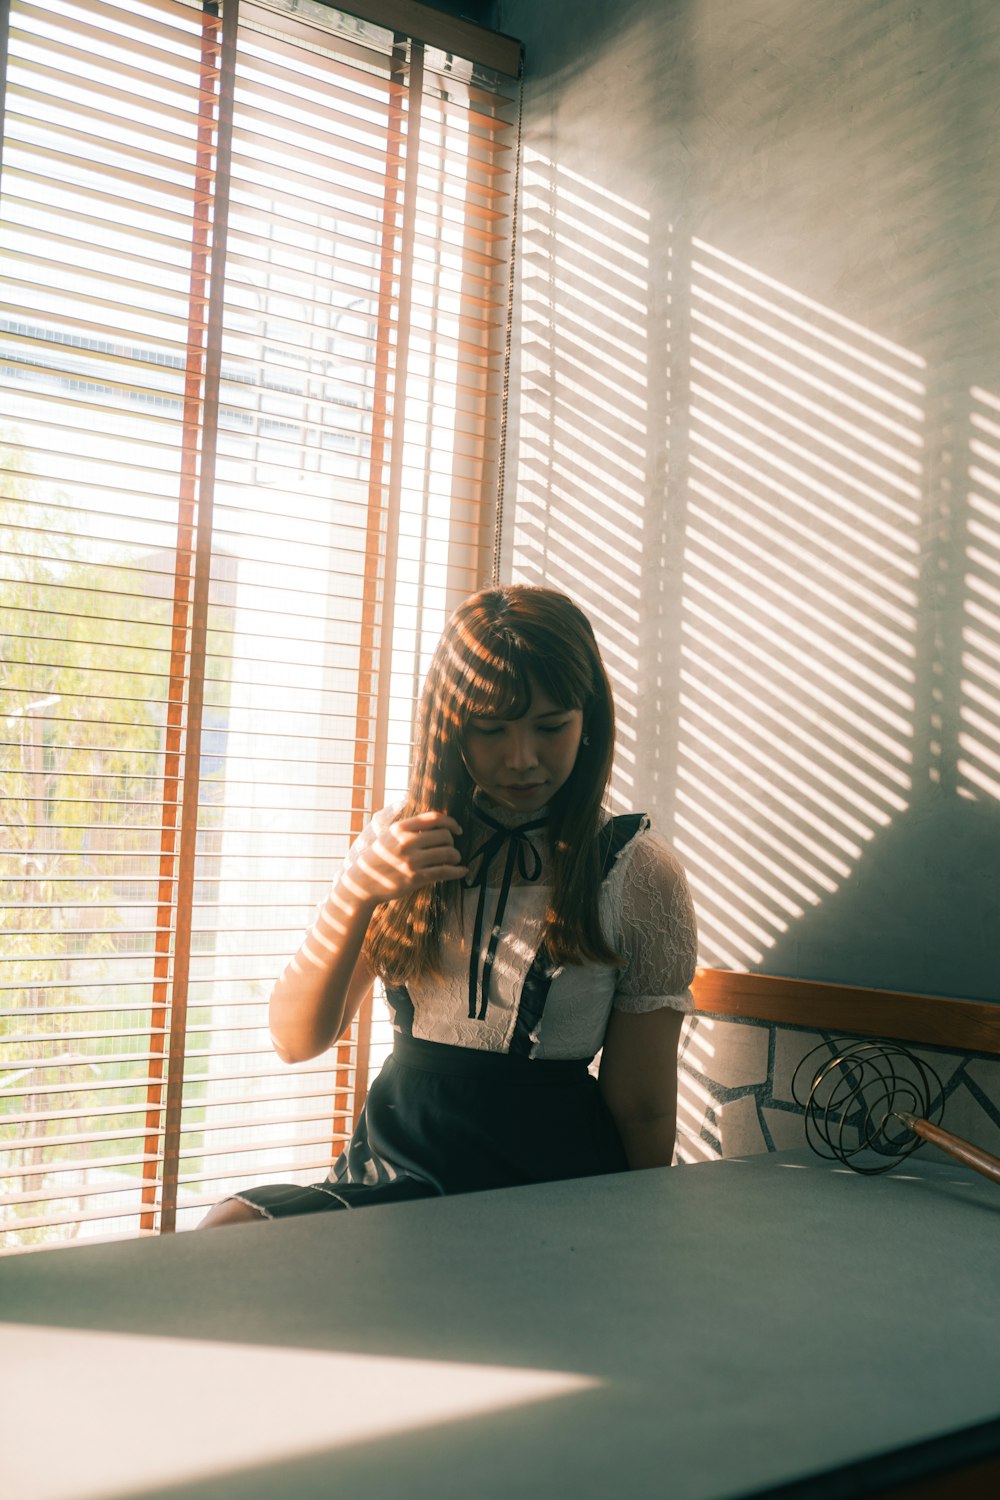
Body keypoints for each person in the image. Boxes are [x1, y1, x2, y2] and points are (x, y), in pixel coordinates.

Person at [201, 585, 698, 1227]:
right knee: (232, 1229)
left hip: (550, 1182)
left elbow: (643, 1107)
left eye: (551, 727)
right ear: (449, 725)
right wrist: (355, 894)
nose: (522, 759)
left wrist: (639, 1241)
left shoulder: (634, 869)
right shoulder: (402, 842)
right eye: (490, 729)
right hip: (396, 1163)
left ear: (589, 718)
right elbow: (297, 1041)